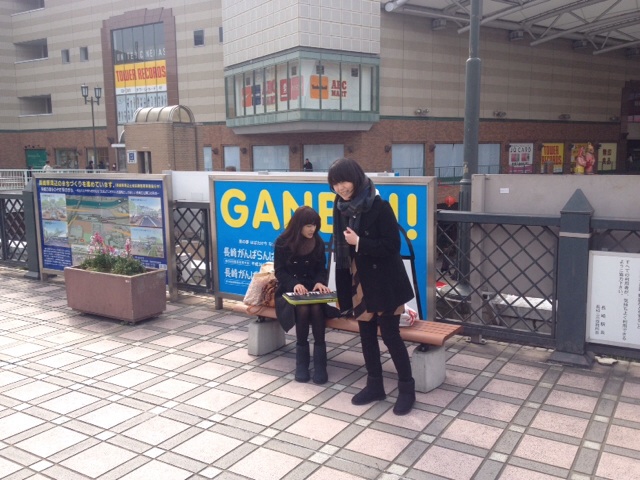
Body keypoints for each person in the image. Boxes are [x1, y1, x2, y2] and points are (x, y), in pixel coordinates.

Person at [328, 157, 416, 415]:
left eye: (344, 181)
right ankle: (375, 386)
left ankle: (406, 390)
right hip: (358, 280)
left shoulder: (380, 206)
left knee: (390, 336)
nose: (340, 188)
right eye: (335, 184)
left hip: (385, 281)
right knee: (366, 336)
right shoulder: (339, 208)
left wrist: (359, 242)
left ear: (356, 178)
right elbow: (341, 251)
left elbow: (392, 246)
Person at [274, 206, 332, 384]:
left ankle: (320, 365)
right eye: (308, 225)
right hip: (288, 291)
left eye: (315, 225)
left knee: (315, 307)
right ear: (298, 225)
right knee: (303, 308)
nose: (312, 229)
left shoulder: (318, 242)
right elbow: (280, 271)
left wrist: (320, 282)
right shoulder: (283, 242)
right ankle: (302, 364)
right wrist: (295, 284)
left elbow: (321, 269)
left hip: (312, 290)